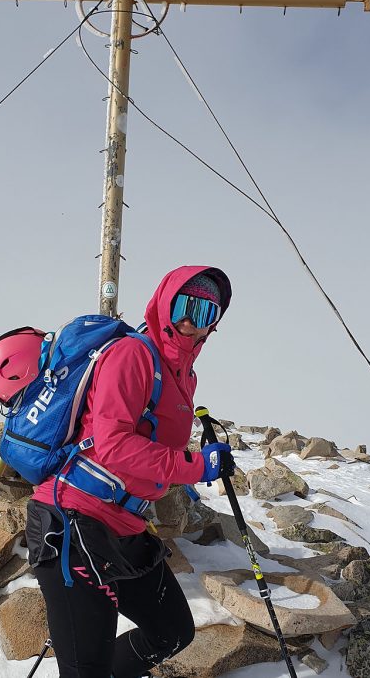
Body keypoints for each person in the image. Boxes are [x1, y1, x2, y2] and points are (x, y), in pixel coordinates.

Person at [26, 265, 235, 678]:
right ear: (165, 305)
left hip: (126, 525)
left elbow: (151, 445)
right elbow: (114, 445)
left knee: (171, 633)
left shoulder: (184, 376)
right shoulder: (133, 354)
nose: (196, 324)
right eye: (187, 307)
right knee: (88, 670)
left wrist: (198, 458)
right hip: (73, 521)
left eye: (208, 313)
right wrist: (195, 467)